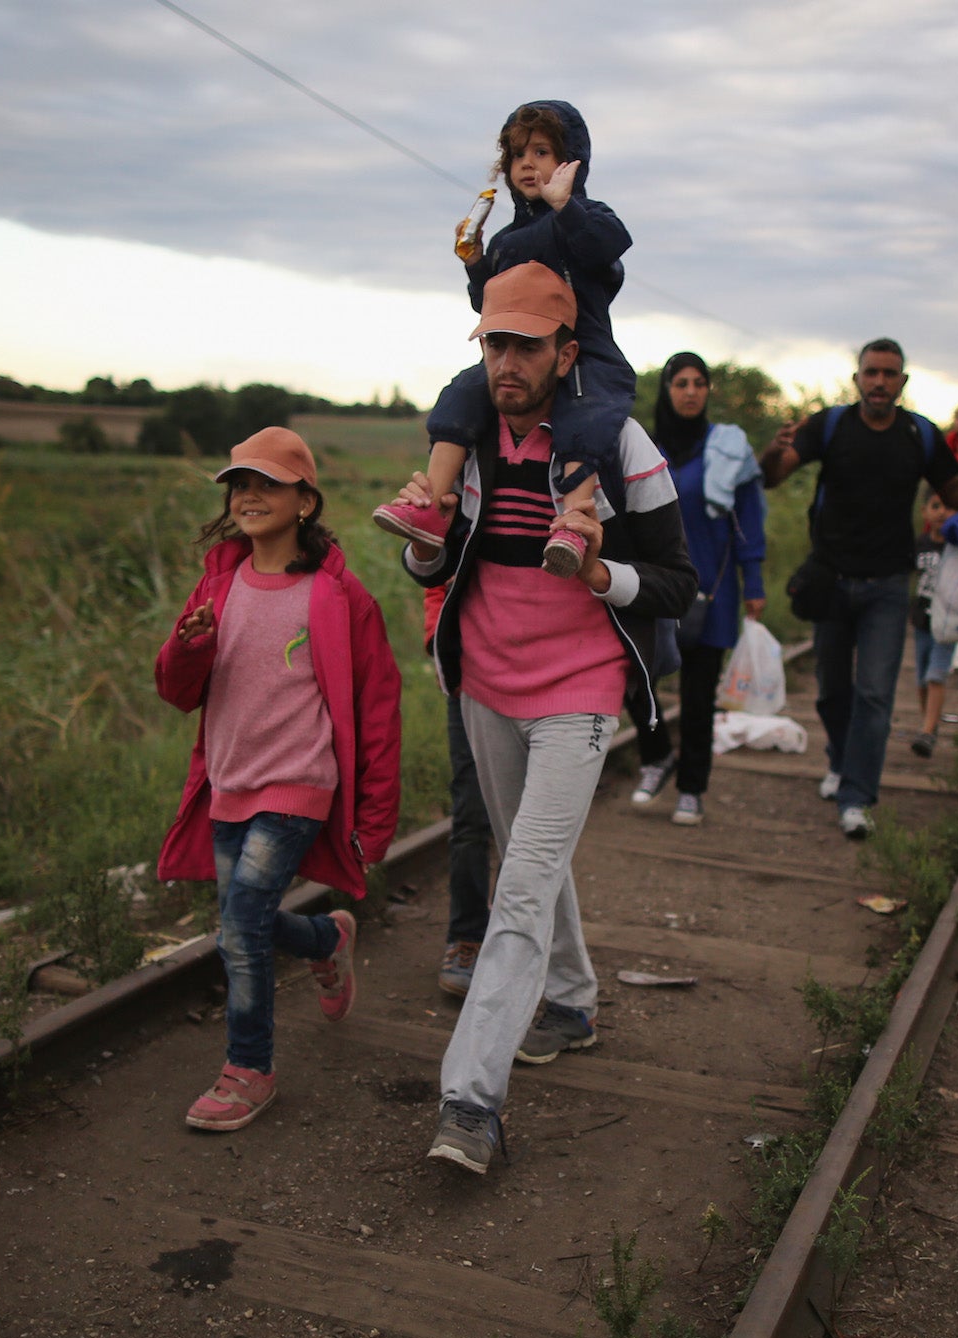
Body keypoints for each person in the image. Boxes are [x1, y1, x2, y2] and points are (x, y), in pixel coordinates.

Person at [391, 262, 696, 1174]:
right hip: (486, 680)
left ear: (568, 353)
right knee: (532, 850)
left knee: (518, 882)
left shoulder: (621, 446)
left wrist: (605, 576)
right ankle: (569, 1002)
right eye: (494, 343)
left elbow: (679, 582)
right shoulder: (469, 439)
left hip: (580, 691)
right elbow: (435, 572)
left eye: (527, 344)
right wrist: (424, 553)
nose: (507, 361)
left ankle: (470, 1101)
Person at [154, 427, 403, 1133]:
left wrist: (376, 815)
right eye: (240, 483)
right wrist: (188, 644)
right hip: (230, 781)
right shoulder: (218, 583)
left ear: (305, 500)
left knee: (237, 929)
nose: (250, 495)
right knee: (248, 921)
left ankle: (249, 1070)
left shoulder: (337, 598)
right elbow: (176, 691)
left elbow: (378, 705)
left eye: (268, 483)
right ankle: (326, 940)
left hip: (299, 785)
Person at [372, 101, 633, 583]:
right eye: (517, 156)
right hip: (516, 354)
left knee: (584, 417)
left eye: (543, 152)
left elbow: (608, 246)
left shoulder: (585, 216)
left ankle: (575, 523)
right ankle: (430, 503)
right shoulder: (508, 239)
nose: (528, 165)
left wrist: (565, 204)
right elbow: (487, 306)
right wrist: (474, 262)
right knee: (460, 397)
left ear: (574, 160)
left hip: (584, 355)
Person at [759, 339, 958, 838]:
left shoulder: (919, 435)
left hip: (888, 586)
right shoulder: (830, 425)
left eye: (890, 374)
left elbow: (951, 488)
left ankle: (857, 796)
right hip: (831, 579)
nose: (880, 382)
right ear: (858, 379)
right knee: (831, 691)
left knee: (874, 694)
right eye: (872, 373)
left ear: (903, 383)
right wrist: (775, 450)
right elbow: (775, 478)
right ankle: (840, 760)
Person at [628, 352, 768, 826]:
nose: (690, 391)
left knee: (698, 695)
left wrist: (756, 581)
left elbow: (748, 519)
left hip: (714, 590)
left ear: (708, 391)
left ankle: (692, 788)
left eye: (699, 383)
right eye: (681, 383)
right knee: (635, 678)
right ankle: (657, 756)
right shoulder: (643, 447)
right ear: (667, 390)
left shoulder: (727, 450)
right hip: (653, 586)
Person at [424, 584, 491, 998]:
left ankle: (521, 944)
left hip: (544, 680)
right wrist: (440, 640)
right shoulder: (460, 516)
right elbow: (438, 578)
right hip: (471, 675)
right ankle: (467, 938)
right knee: (471, 814)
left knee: (530, 825)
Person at [908, 491, 957, 758]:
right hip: (922, 620)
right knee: (921, 679)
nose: (941, 513)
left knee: (936, 674)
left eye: (948, 507)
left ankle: (927, 731)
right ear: (925, 512)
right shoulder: (921, 544)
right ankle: (929, 721)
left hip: (948, 623)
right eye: (935, 507)